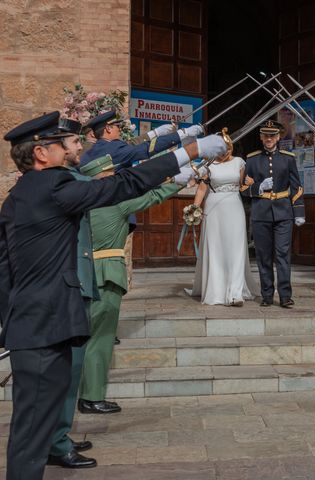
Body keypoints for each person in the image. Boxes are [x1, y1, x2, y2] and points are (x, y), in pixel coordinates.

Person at [0, 111, 226, 480]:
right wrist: (190, 150)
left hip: (36, 326)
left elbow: (3, 269)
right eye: (62, 144)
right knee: (29, 433)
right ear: (41, 154)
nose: (72, 149)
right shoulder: (54, 187)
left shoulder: (18, 195)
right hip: (43, 329)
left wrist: (11, 321)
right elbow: (123, 184)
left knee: (36, 426)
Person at [77, 156, 184, 414]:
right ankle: (91, 396)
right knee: (100, 338)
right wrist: (182, 179)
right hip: (107, 275)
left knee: (85, 337)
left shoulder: (80, 202)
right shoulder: (114, 202)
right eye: (112, 173)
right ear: (103, 177)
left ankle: (82, 393)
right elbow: (152, 197)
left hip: (83, 274)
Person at [46, 118, 98, 469]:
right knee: (64, 368)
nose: (81, 147)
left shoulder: (73, 180)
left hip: (76, 283)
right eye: (75, 142)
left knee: (72, 367)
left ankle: (59, 433)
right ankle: (55, 441)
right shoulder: (67, 183)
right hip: (69, 286)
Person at [241, 120, 305, 308]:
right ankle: (267, 295)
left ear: (278, 137)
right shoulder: (251, 160)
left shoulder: (288, 158)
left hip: (284, 212)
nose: (269, 139)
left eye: (272, 135)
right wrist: (259, 188)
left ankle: (285, 296)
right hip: (261, 212)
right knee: (263, 256)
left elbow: (296, 186)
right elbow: (243, 189)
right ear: (261, 138)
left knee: (283, 254)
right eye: (265, 135)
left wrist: (299, 211)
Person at [189, 155, 256, 306]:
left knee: (235, 249)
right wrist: (194, 208)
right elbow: (202, 188)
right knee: (216, 248)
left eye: (227, 146)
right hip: (214, 208)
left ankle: (235, 293)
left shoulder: (239, 162)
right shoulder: (208, 164)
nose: (224, 150)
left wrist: (250, 183)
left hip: (234, 205)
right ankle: (216, 290)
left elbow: (242, 185)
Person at [80, 110, 203, 169]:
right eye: (117, 127)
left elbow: (130, 145)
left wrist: (156, 132)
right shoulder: (113, 147)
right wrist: (183, 133)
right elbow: (145, 149)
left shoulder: (95, 149)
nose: (120, 130)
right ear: (108, 128)